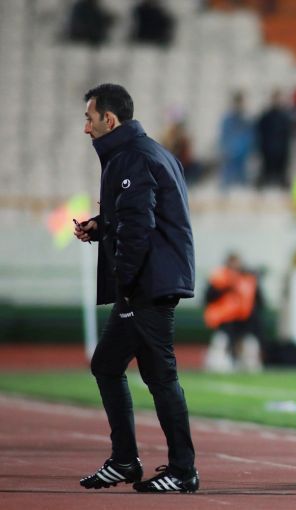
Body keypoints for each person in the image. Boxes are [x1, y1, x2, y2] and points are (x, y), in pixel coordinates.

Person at [74, 83, 199, 493]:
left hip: (146, 284)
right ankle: (129, 460)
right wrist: (100, 227)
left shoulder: (131, 157)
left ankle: (179, 470)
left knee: (156, 375)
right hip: (153, 280)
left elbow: (138, 227)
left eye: (90, 119)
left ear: (109, 120)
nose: (86, 128)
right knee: (116, 367)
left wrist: (125, 281)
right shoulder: (152, 151)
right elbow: (140, 216)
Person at [203, 252, 263, 372]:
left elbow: (257, 300)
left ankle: (248, 364)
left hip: (244, 319)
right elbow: (209, 297)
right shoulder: (220, 278)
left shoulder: (248, 278)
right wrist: (227, 286)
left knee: (249, 344)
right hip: (224, 320)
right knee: (221, 343)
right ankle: (219, 364)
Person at [256, 89, 293, 190]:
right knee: (266, 168)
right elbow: (260, 130)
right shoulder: (266, 115)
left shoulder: (285, 116)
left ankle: (282, 183)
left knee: (281, 170)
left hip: (281, 148)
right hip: (268, 148)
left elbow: (288, 132)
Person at [219, 91, 253, 189]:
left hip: (242, 158)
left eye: (240, 102)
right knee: (227, 183)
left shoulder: (247, 121)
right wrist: (227, 150)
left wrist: (244, 150)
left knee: (242, 186)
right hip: (229, 157)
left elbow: (250, 138)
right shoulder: (227, 120)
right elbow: (224, 138)